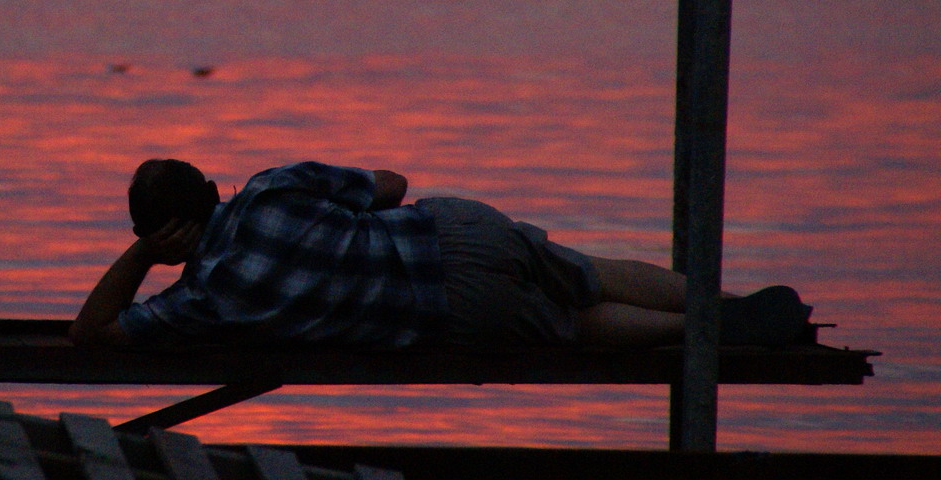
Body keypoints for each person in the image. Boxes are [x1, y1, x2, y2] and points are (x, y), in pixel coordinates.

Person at [70, 159, 810, 351]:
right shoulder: (270, 189)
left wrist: (140, 257)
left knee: (574, 324)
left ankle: (696, 333)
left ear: (162, 236)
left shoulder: (207, 301)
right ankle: (724, 304)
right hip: (452, 231)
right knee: (588, 270)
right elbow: (392, 184)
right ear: (208, 188)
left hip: (446, 310)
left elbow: (91, 330)